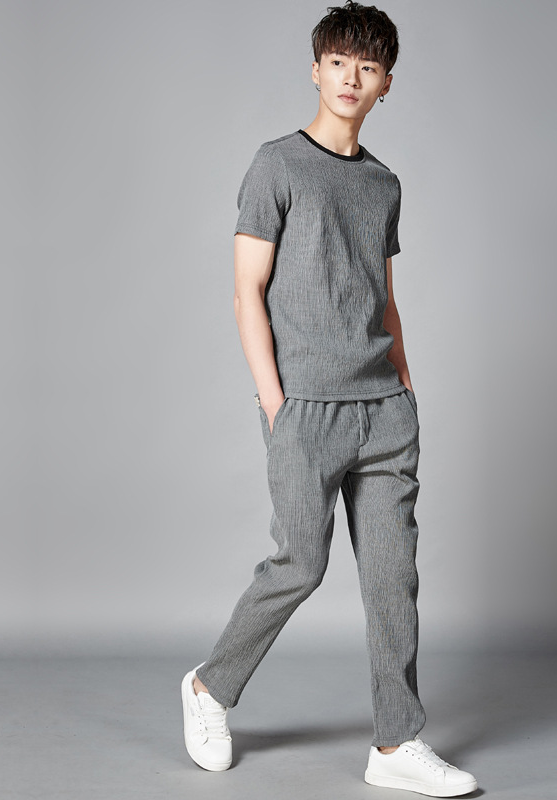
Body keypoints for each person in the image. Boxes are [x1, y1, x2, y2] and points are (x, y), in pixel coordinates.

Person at [180, 2, 477, 796]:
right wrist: (275, 402)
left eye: (368, 66)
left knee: (392, 581)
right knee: (300, 563)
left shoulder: (384, 184)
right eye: (339, 61)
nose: (351, 77)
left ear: (386, 84)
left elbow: (383, 294)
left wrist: (404, 383)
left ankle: (396, 743)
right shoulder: (276, 165)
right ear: (316, 70)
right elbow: (247, 292)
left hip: (384, 409)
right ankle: (208, 687)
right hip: (305, 407)